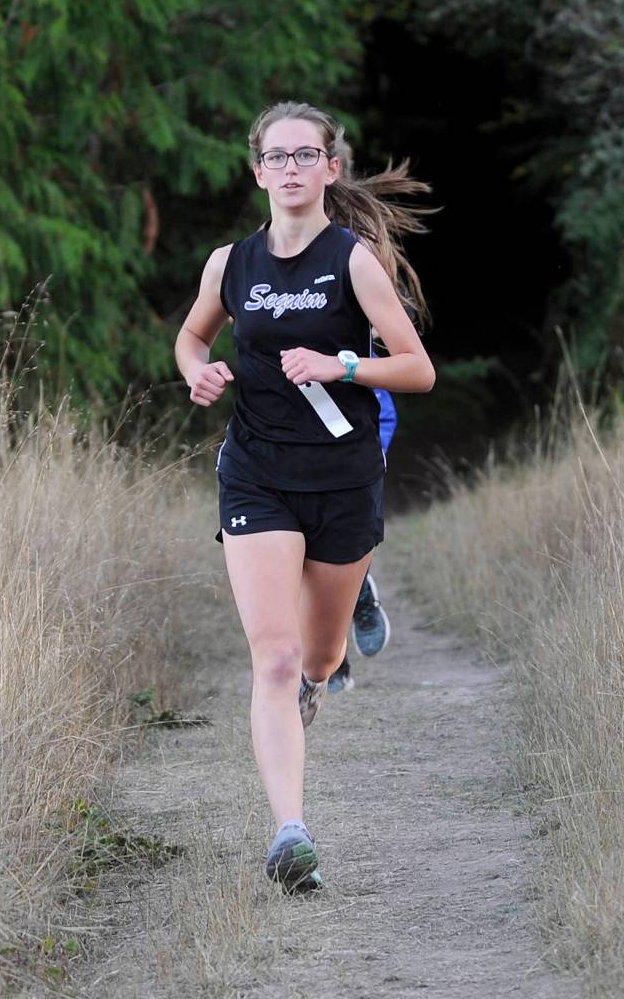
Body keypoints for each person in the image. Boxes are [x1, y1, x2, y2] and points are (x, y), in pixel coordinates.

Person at [174, 100, 435, 892]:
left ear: (329, 168)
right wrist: (200, 371)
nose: (289, 169)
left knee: (319, 659)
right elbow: (192, 336)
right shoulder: (230, 263)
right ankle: (290, 833)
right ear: (258, 172)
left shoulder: (354, 261)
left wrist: (342, 367)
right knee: (276, 657)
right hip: (255, 473)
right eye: (275, 157)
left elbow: (417, 369)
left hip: (344, 478)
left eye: (304, 156)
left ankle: (340, 636)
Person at [329, 387, 397, 693]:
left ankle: (358, 591)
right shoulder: (268, 346)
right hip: (280, 473)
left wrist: (366, 459)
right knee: (297, 570)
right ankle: (331, 669)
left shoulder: (354, 348)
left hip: (348, 474)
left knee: (330, 568)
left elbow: (383, 415)